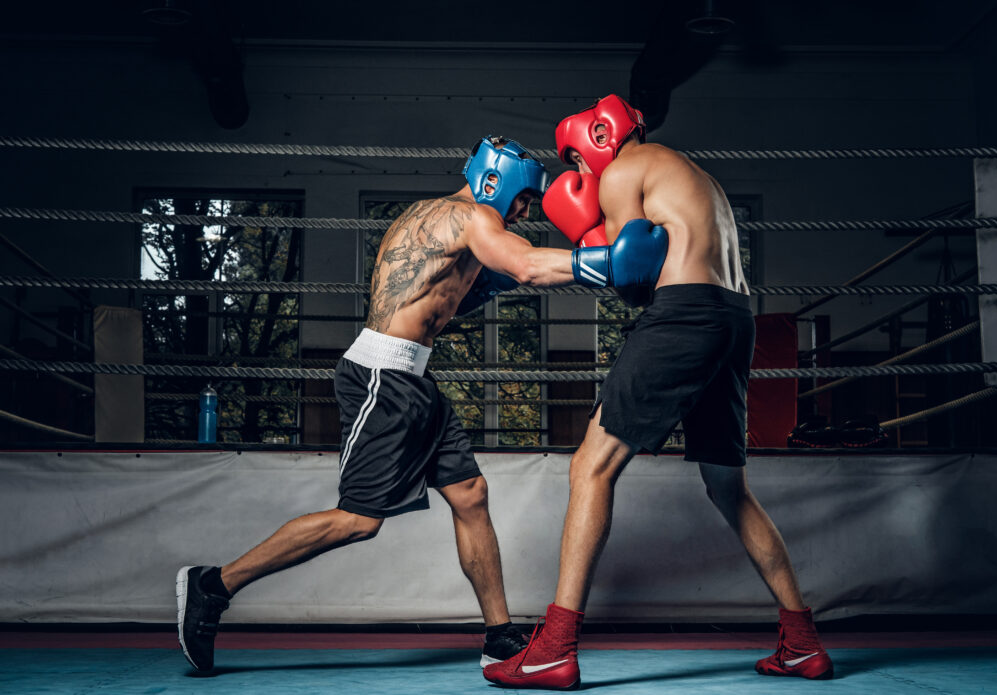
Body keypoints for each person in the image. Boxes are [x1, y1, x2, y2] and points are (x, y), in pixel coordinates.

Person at [176, 134, 668, 673]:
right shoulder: (473, 217)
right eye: (523, 200)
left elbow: (429, 295)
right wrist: (608, 262)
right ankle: (214, 585)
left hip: (414, 379)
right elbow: (527, 266)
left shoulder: (431, 216)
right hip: (382, 376)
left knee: (471, 494)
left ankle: (499, 635)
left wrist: (482, 285)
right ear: (493, 182)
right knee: (359, 520)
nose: (525, 213)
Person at [484, 96, 834, 690]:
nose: (582, 173)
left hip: (685, 314)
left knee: (590, 467)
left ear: (598, 138)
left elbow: (632, 278)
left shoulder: (623, 171)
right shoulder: (695, 176)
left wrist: (587, 233)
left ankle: (553, 649)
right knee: (729, 488)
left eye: (577, 160)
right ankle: (802, 643)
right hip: (735, 319)